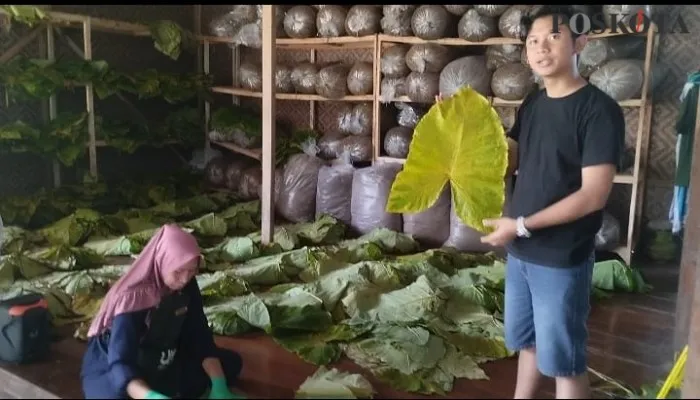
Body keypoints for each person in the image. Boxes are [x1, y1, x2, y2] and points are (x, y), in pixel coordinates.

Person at [477, 5, 625, 399]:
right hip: (521, 252)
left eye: (553, 38)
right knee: (527, 343)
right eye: (532, 41)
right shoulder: (533, 104)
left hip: (562, 257)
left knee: (565, 364)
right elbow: (507, 159)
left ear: (580, 42)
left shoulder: (599, 111)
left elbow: (593, 196)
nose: (541, 48)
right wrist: (457, 125)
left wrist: (521, 224)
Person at [81, 224, 244, 399]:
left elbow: (200, 336)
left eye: (191, 271)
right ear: (162, 262)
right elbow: (121, 362)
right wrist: (151, 397)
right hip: (116, 361)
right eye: (178, 271)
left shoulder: (187, 285)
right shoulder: (133, 297)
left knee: (229, 364)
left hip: (163, 354)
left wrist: (219, 385)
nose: (184, 279)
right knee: (113, 394)